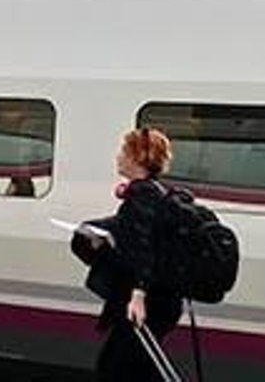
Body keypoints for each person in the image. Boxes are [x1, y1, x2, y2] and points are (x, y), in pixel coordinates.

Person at [90, 127, 185, 382]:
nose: (118, 157)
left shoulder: (143, 195)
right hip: (158, 298)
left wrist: (138, 295)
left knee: (121, 368)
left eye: (123, 151)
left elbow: (146, 247)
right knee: (128, 366)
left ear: (137, 158)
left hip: (148, 301)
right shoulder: (151, 192)